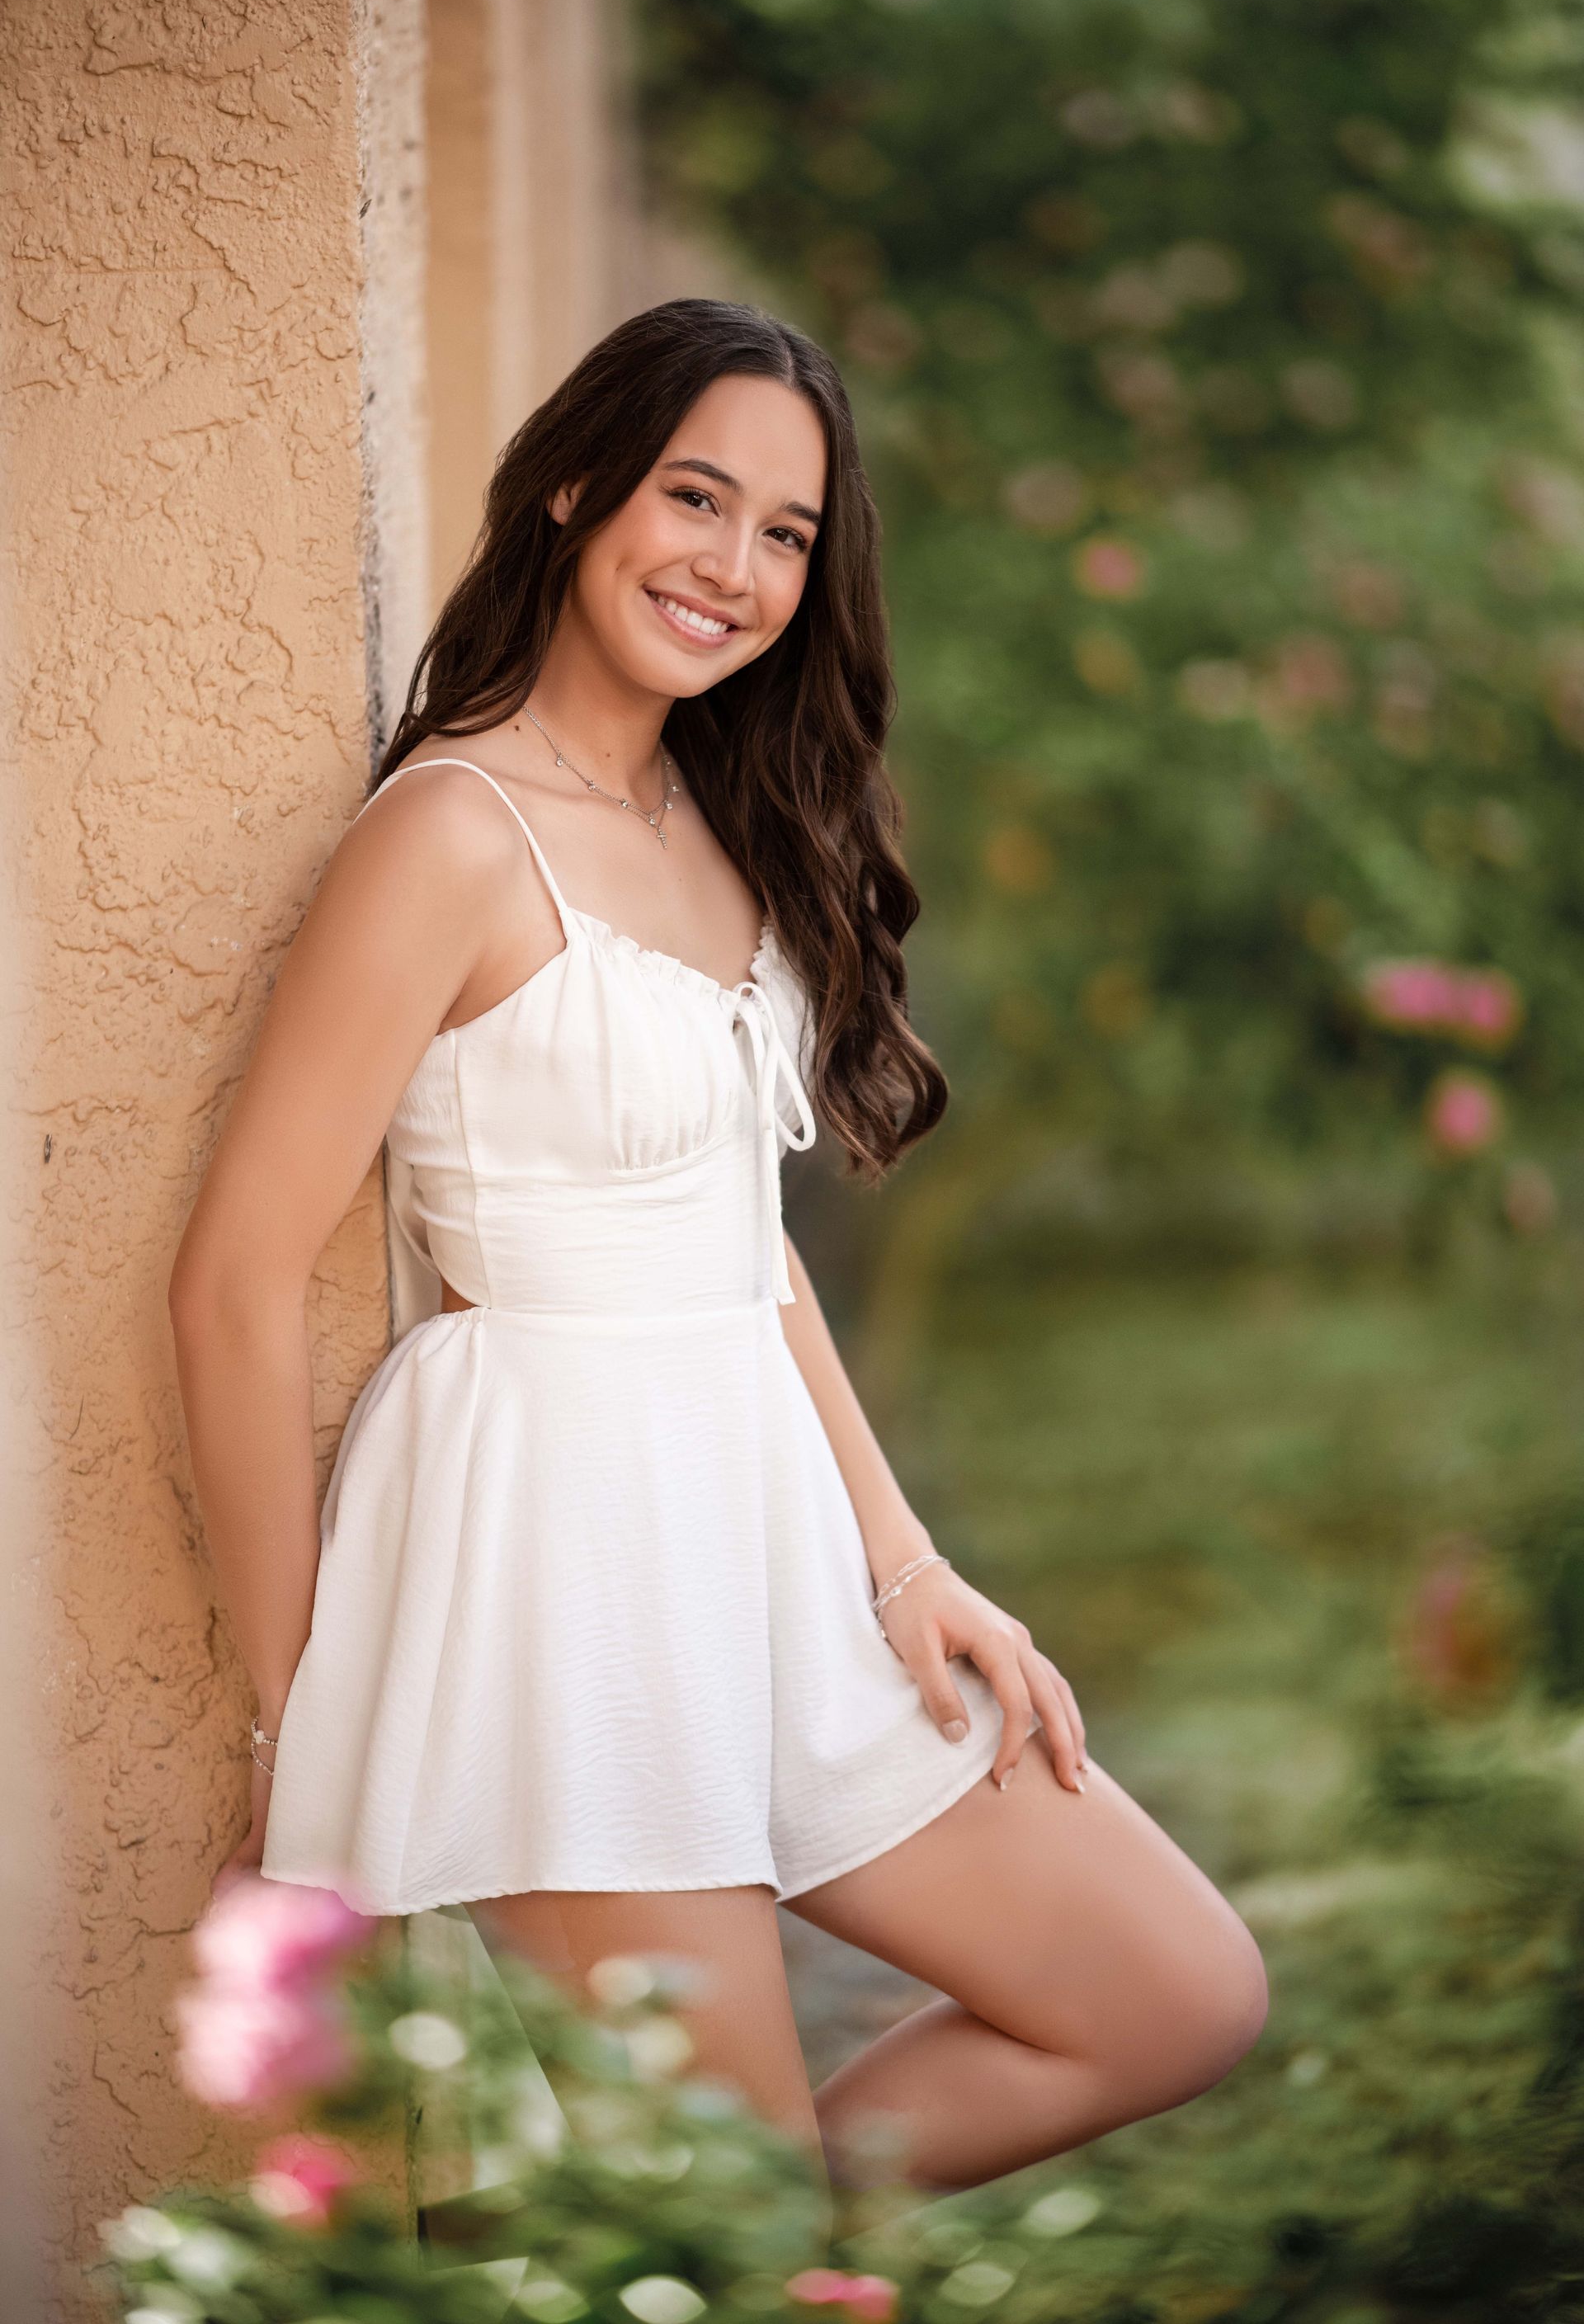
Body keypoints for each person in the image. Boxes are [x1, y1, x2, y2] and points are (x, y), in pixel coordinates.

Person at [168, 296, 1266, 2195]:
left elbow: (739, 1243)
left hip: (753, 1535)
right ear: (581, 485)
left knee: (1176, 1992)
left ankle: (698, 2260)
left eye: (786, 534)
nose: (736, 567)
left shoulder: (714, 815)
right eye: (698, 498)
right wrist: (304, 1716)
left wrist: (906, 1560)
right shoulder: (447, 834)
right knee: (727, 2226)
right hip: (562, 1562)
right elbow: (236, 1283)